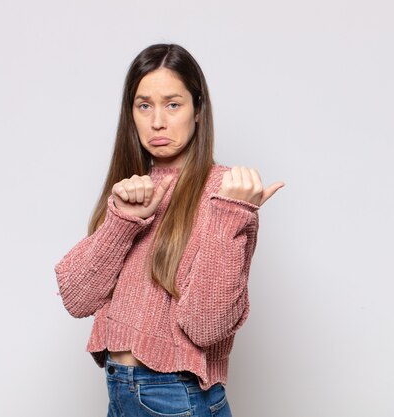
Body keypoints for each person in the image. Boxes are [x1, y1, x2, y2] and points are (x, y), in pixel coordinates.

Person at [55, 43, 284, 417]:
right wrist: (123, 221)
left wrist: (229, 215)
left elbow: (206, 327)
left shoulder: (226, 194)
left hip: (177, 397)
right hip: (120, 392)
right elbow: (77, 297)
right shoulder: (132, 189)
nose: (157, 121)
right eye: (144, 105)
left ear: (198, 110)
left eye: (172, 104)